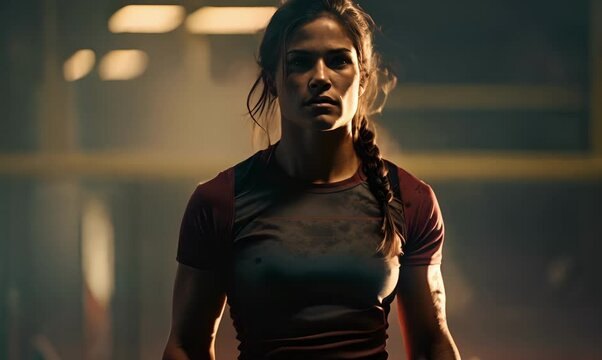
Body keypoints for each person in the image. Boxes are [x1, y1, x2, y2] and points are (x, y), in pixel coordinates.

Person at [163, 0, 460, 359]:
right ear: (272, 80)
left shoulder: (409, 198)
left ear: (363, 78)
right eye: (300, 62)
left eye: (338, 60)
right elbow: (185, 346)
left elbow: (432, 345)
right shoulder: (220, 201)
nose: (320, 77)